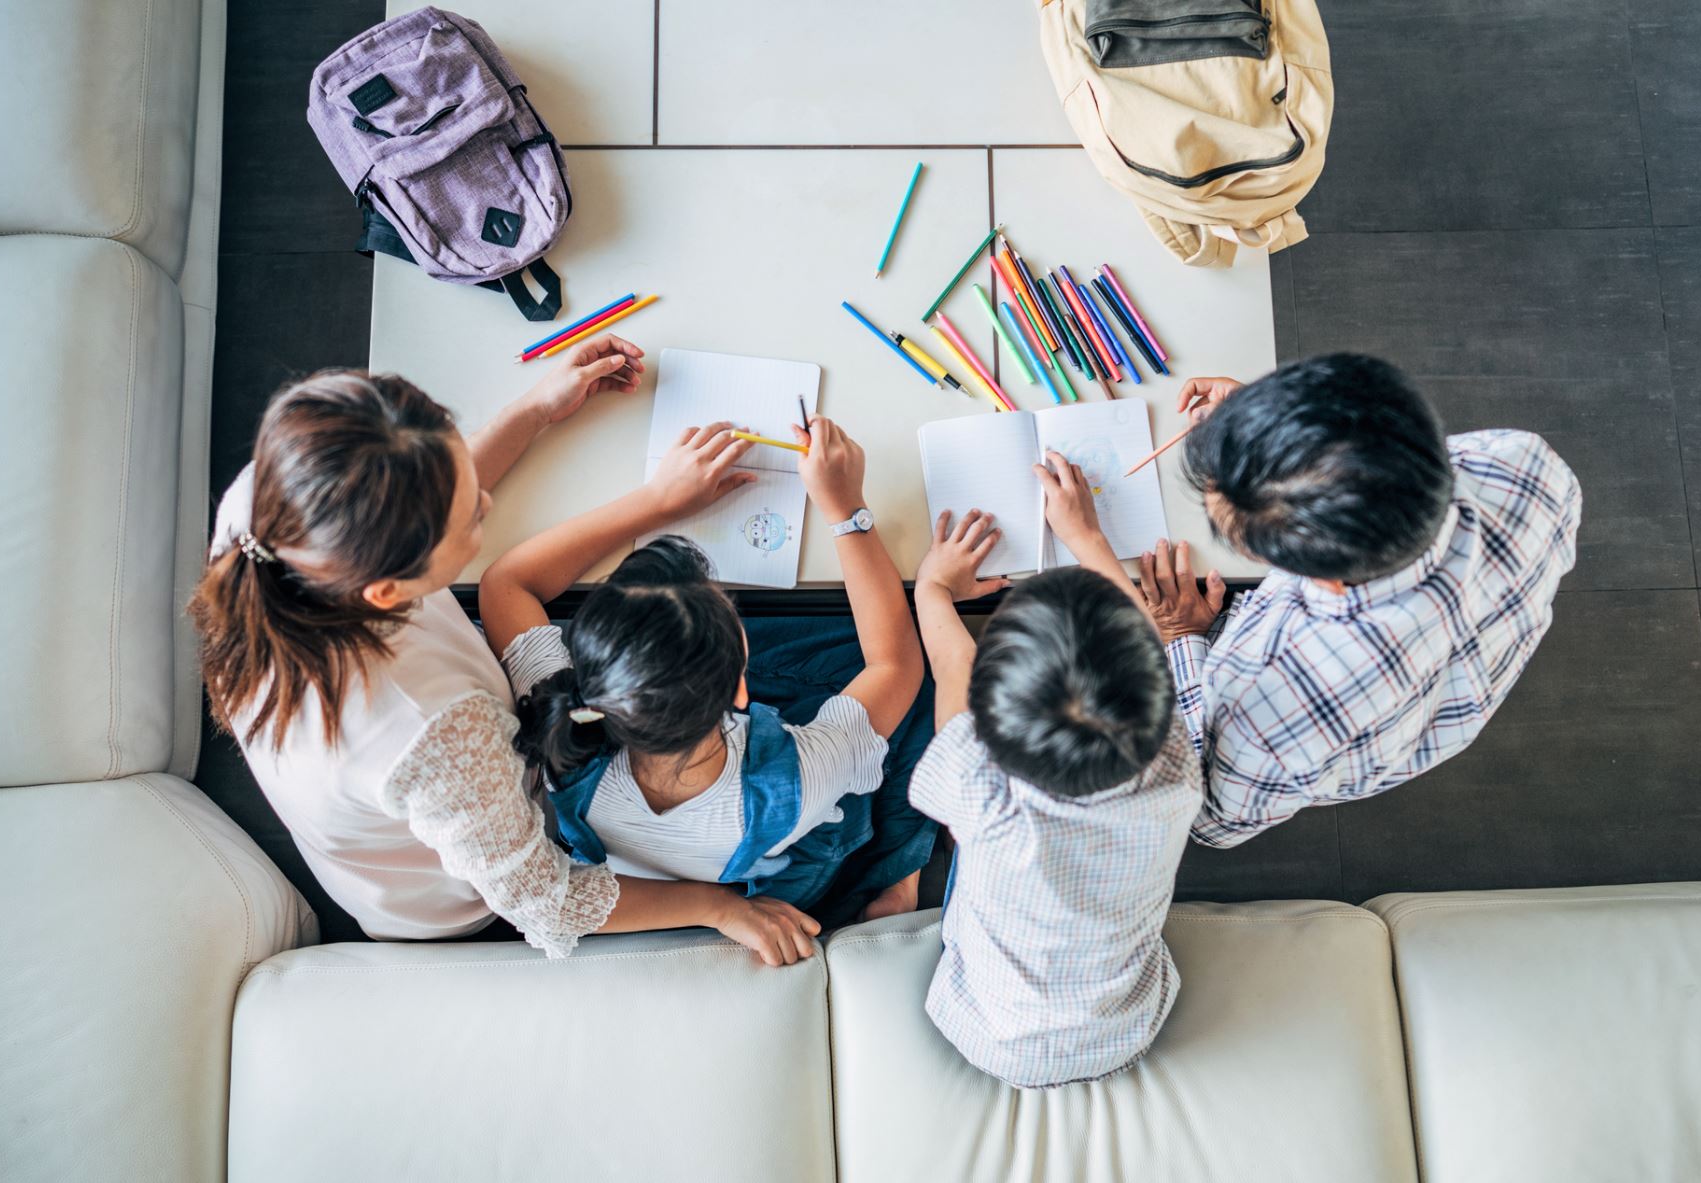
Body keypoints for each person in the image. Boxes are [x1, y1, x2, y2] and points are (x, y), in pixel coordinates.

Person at [191, 341, 824, 966]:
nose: (486, 507)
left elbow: (423, 500)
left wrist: (533, 413)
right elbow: (545, 901)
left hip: (457, 781)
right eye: (469, 520)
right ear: (387, 590)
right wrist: (719, 907)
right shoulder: (430, 731)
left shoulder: (273, 505)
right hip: (469, 891)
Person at [481, 415, 936, 929]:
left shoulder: (561, 731)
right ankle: (897, 870)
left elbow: (506, 583)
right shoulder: (799, 776)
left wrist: (657, 500)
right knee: (920, 682)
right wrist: (845, 508)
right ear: (742, 687)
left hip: (672, 864)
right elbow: (895, 662)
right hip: (783, 861)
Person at [1141, 353, 1583, 847]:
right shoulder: (1519, 462)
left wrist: (1183, 637)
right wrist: (1280, 433)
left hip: (1348, 729)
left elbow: (1207, 824)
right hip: (1468, 659)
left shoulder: (1270, 697)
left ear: (1311, 574)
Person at [908, 455, 1201, 1089]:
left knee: (960, 831)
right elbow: (1148, 660)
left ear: (989, 717)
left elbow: (952, 669)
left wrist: (932, 588)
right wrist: (1088, 539)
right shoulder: (1178, 769)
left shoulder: (977, 790)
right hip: (1126, 1028)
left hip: (990, 1033)